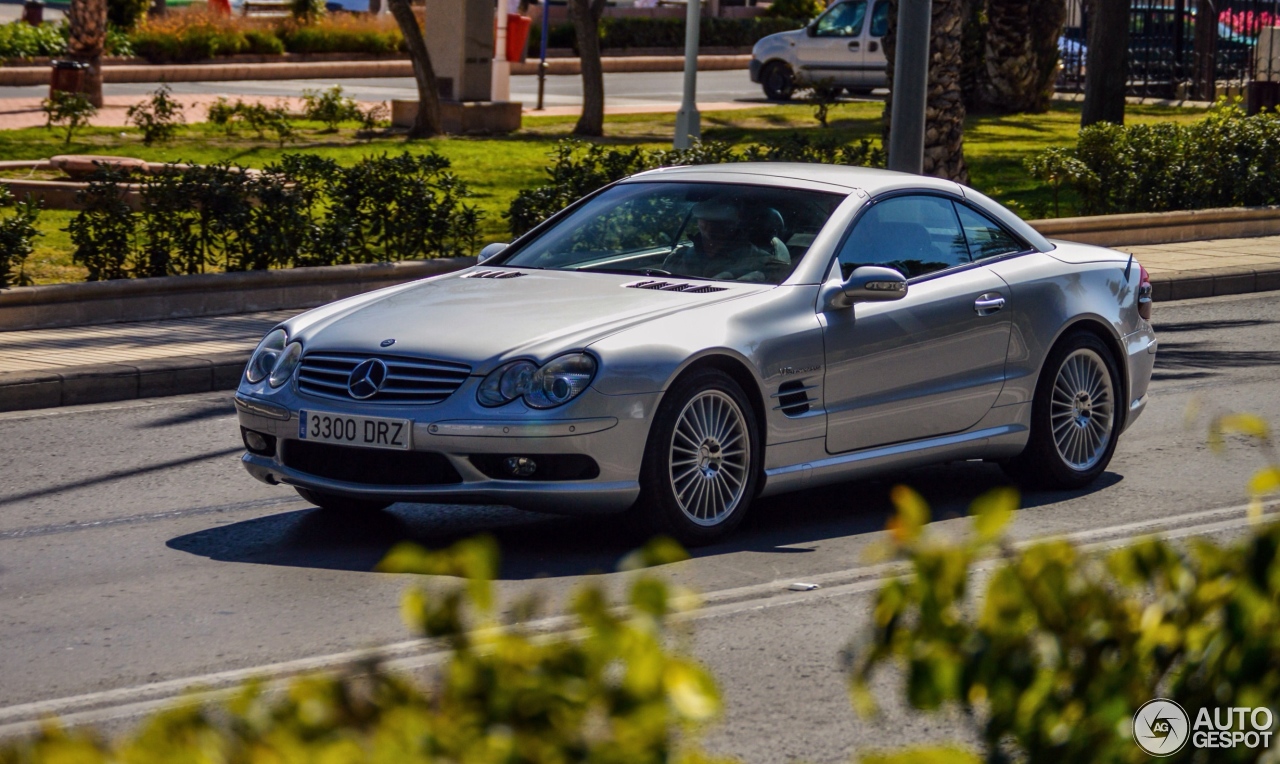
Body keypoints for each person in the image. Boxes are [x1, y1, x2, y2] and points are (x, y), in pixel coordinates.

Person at [664, 200, 778, 281]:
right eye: (705, 219)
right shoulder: (677, 258)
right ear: (698, 221)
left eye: (719, 221)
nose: (710, 226)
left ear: (735, 223)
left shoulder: (762, 261)